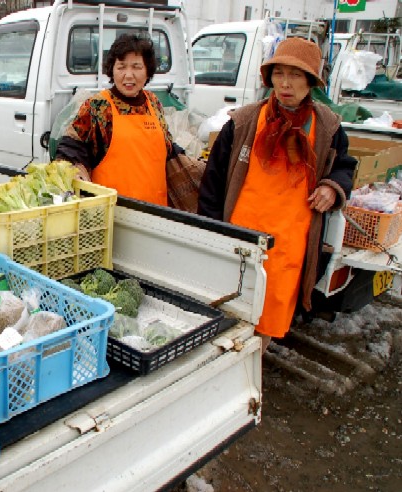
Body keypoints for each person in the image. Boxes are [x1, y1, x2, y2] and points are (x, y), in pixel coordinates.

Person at [197, 37, 357, 354]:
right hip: (239, 240)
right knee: (229, 314)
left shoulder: (326, 126)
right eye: (278, 73)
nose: (285, 83)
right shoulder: (243, 122)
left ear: (311, 81)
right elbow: (212, 184)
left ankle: (254, 373)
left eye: (296, 75)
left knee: (268, 322)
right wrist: (212, 235)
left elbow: (345, 167)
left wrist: (331, 187)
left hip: (288, 247)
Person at [54, 33, 184, 204]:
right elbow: (70, 151)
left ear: (147, 71)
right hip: (113, 215)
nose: (128, 75)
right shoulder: (97, 107)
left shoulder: (153, 103)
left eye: (136, 67)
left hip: (156, 215)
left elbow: (167, 150)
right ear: (112, 70)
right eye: (121, 67)